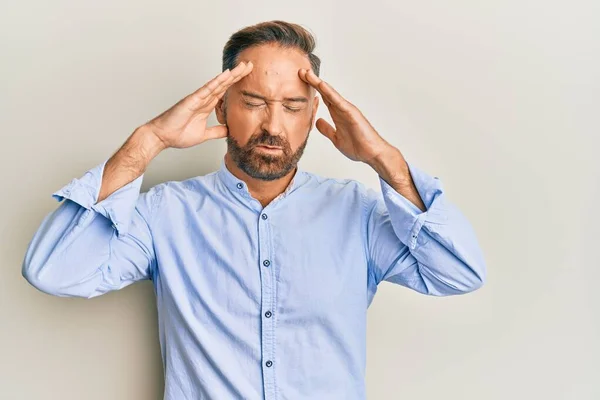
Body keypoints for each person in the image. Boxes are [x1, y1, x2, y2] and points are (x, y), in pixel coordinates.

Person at [22, 20, 486, 400]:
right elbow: (53, 271)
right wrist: (149, 142)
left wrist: (386, 161)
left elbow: (458, 272)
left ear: (313, 114)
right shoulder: (166, 214)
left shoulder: (358, 214)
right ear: (221, 106)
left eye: (292, 106)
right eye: (254, 102)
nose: (273, 125)